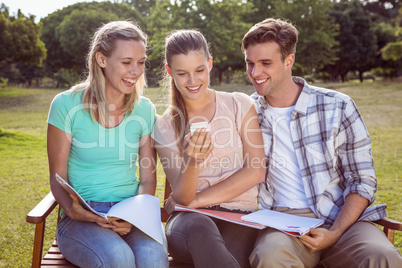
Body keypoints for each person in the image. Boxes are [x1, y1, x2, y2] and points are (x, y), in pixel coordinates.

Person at [241, 18, 402, 267]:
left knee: (383, 256)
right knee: (270, 255)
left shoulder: (338, 106)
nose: (255, 73)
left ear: (288, 61)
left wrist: (336, 232)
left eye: (265, 63)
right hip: (283, 222)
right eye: (250, 63)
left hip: (341, 217)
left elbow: (362, 180)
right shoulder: (244, 111)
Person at [47, 21, 168, 268]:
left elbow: (147, 179)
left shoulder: (144, 110)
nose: (136, 71)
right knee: (118, 258)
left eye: (141, 62)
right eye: (126, 62)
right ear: (101, 60)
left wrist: (134, 218)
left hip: (130, 211)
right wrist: (73, 210)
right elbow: (57, 178)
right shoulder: (65, 105)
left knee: (152, 261)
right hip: (82, 216)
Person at [152, 29, 266, 268]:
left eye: (199, 70)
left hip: (238, 217)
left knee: (223, 254)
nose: (193, 81)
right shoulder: (164, 126)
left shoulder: (239, 105)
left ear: (210, 64)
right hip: (188, 223)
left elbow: (255, 171)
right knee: (201, 227)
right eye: (182, 74)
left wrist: (197, 201)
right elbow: (182, 197)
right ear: (169, 71)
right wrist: (191, 161)